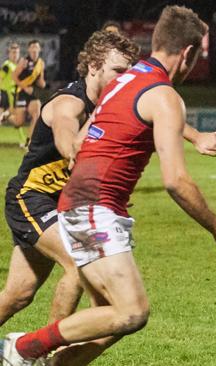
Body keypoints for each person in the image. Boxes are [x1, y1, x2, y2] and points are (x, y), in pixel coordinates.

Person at [2, 6, 216, 365]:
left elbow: (91, 136)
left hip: (84, 205)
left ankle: (47, 361)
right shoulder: (164, 95)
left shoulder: (123, 82)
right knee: (132, 312)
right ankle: (24, 348)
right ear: (189, 54)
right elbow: (176, 182)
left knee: (106, 319)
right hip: (86, 208)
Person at [0, 30, 140, 332]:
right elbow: (65, 133)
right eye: (117, 71)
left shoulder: (106, 108)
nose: (123, 79)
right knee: (80, 263)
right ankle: (45, 353)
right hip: (31, 198)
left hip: (61, 206)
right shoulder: (70, 102)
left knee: (17, 295)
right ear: (93, 67)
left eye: (128, 73)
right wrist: (72, 149)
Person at [12, 39, 46, 146]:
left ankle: (29, 142)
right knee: (19, 122)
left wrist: (42, 84)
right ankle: (7, 116)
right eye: (32, 47)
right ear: (29, 49)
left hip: (32, 93)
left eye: (36, 47)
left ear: (39, 49)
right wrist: (24, 87)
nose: (34, 49)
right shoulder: (24, 61)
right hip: (22, 92)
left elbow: (41, 80)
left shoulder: (41, 63)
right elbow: (14, 77)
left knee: (37, 114)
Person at [0, 42, 19, 127]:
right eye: (13, 52)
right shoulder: (7, 65)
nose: (15, 55)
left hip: (12, 93)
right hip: (6, 92)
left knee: (11, 112)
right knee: (12, 112)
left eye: (17, 52)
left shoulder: (16, 65)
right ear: (9, 54)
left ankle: (3, 116)